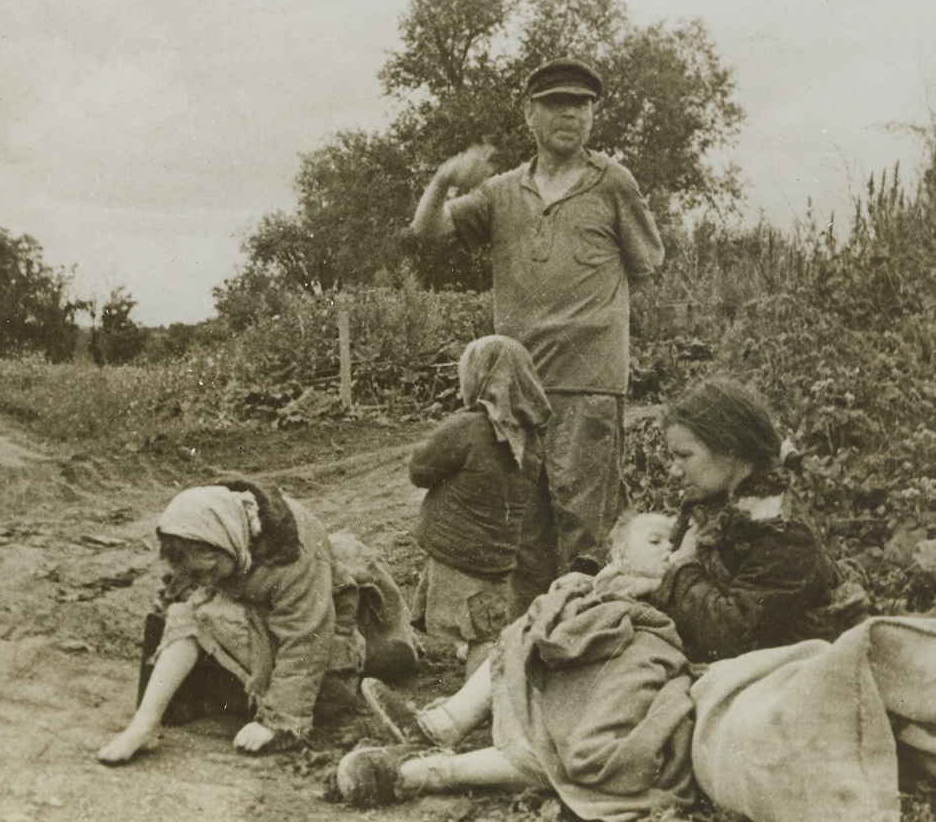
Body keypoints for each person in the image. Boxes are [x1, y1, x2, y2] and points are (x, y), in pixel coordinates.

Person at [411, 58, 665, 613]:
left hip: (589, 389)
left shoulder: (615, 183)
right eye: (555, 103)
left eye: (582, 103)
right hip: (516, 396)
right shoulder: (502, 193)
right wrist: (443, 180)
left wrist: (593, 331)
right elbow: (427, 233)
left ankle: (586, 642)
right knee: (523, 531)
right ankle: (532, 649)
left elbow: (646, 266)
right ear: (530, 113)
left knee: (585, 530)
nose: (569, 113)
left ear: (593, 114)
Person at [338, 510, 693, 817]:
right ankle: (439, 727)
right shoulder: (590, 588)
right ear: (620, 555)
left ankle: (420, 773)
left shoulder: (676, 592)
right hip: (562, 668)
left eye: (673, 545)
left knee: (572, 737)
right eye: (654, 541)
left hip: (613, 682)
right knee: (523, 634)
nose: (668, 551)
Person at [97, 481, 417, 765]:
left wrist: (277, 723)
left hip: (323, 650)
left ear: (228, 546)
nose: (202, 581)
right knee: (186, 613)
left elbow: (305, 639)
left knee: (200, 620)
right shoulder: (213, 525)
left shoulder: (291, 554)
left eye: (206, 572)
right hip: (261, 622)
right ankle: (145, 724)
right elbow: (185, 579)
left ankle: (247, 701)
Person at [649, 378, 867, 663]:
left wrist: (683, 567)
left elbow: (732, 635)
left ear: (729, 447)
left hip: (788, 665)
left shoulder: (782, 531)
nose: (675, 471)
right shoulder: (712, 499)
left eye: (684, 456)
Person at [408, 334, 549, 677]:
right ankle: (475, 651)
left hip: (456, 553)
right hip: (497, 556)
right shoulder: (531, 441)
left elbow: (419, 469)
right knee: (482, 620)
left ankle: (479, 696)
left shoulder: (467, 428)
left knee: (482, 636)